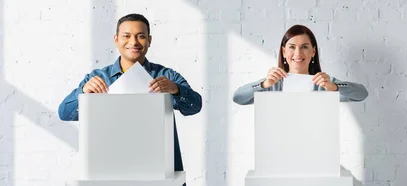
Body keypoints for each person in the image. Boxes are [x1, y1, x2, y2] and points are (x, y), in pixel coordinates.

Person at [58, 13, 202, 186]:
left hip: (159, 169)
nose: (133, 42)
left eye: (140, 36)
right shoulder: (98, 78)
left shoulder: (166, 76)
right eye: (126, 36)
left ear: (149, 40)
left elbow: (195, 106)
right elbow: (64, 113)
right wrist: (83, 92)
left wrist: (176, 89)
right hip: (111, 168)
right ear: (116, 39)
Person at [233, 24, 368, 105]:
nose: (298, 53)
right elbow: (238, 98)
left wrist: (335, 87)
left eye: (304, 47)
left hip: (316, 148)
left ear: (313, 51)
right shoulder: (273, 84)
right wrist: (263, 85)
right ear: (284, 52)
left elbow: (361, 94)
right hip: (277, 149)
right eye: (292, 47)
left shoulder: (324, 84)